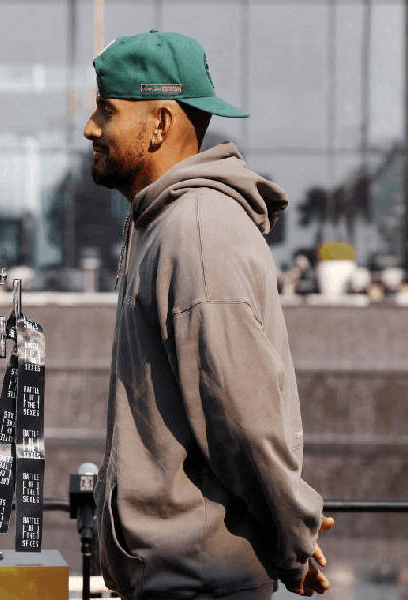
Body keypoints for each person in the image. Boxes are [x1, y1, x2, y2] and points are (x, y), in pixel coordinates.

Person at [85, 31, 334, 600]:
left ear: (160, 124)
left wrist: (292, 535)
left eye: (107, 109)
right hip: (185, 579)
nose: (90, 128)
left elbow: (243, 420)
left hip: (198, 584)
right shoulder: (167, 224)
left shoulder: (194, 234)